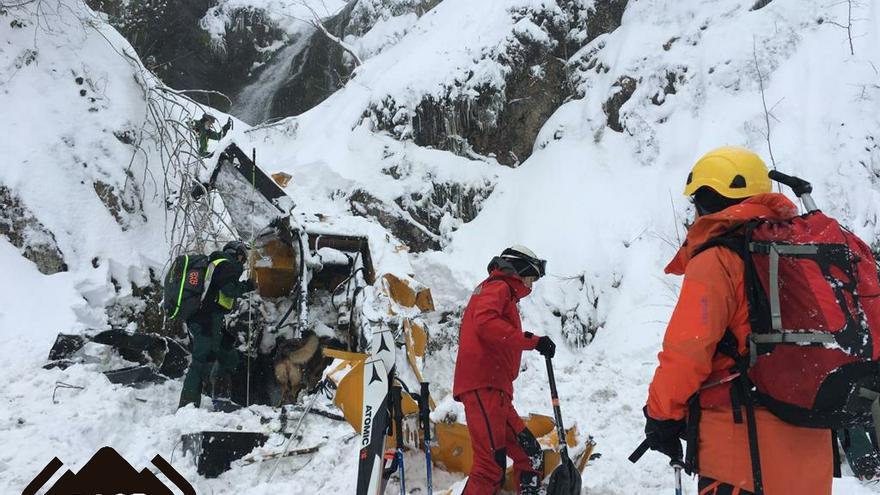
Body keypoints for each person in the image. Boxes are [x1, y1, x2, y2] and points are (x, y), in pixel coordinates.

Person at [643, 146, 832, 494]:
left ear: (708, 199)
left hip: (740, 448)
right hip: (810, 440)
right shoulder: (803, 253)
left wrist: (660, 416)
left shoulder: (717, 259)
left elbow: (687, 352)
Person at [453, 245, 556, 495]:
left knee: (529, 454)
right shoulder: (497, 287)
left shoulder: (503, 292)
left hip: (496, 390)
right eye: (531, 278)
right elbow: (486, 322)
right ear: (519, 270)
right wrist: (532, 341)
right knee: (490, 467)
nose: (531, 285)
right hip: (483, 385)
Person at [178, 240, 256, 409]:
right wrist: (248, 286)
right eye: (243, 256)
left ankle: (222, 398)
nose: (243, 261)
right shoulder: (226, 264)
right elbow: (229, 290)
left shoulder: (215, 264)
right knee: (201, 361)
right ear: (236, 253)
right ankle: (187, 405)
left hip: (208, 320)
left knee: (228, 355)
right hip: (205, 320)